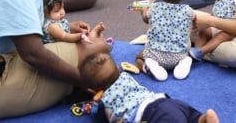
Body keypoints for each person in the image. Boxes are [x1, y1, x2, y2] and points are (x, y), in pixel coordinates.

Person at [79, 52, 220, 123]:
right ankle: (203, 118)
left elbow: (102, 118)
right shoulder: (125, 76)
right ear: (117, 68)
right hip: (166, 102)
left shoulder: (105, 101)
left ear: (93, 90)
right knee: (190, 116)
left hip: (151, 117)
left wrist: (95, 107)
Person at [140, 0, 195, 81]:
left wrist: (143, 10)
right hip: (179, 55)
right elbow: (195, 20)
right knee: (187, 53)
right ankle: (185, 62)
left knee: (143, 56)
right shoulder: (188, 11)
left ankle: (152, 64)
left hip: (155, 54)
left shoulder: (154, 8)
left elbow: (145, 19)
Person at [38, 0, 105, 44]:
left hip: (65, 40)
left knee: (86, 39)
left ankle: (94, 37)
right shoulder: (51, 26)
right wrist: (79, 36)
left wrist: (73, 26)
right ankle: (94, 36)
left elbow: (63, 27)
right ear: (43, 13)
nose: (62, 12)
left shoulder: (54, 21)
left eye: (62, 7)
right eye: (57, 11)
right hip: (61, 46)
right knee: (83, 44)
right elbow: (64, 36)